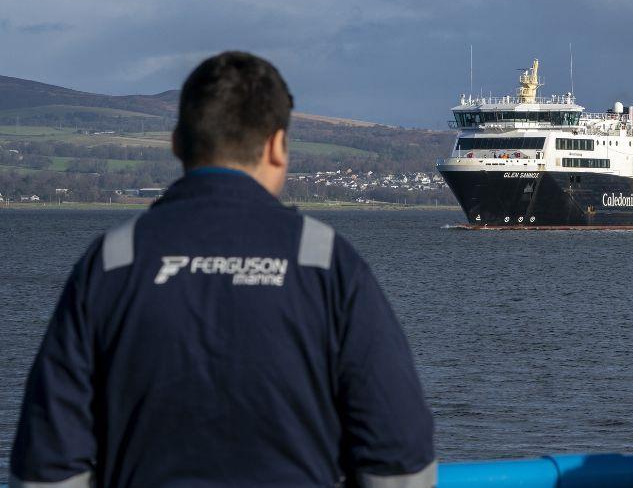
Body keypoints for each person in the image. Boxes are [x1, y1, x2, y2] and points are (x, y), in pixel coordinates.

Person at [9, 52, 435, 487]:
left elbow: (49, 465)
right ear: (277, 146)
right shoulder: (325, 261)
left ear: (177, 142)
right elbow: (399, 459)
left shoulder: (114, 260)